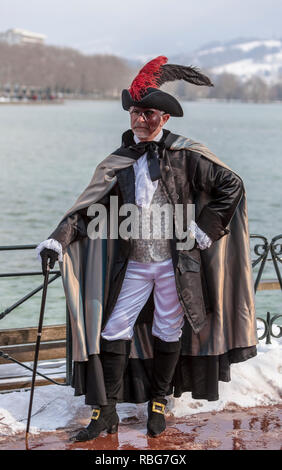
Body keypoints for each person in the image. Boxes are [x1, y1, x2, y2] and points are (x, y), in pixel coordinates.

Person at [36, 56, 258, 442]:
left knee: (168, 330)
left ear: (165, 118)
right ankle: (106, 412)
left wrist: (203, 229)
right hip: (135, 263)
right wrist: (58, 239)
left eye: (148, 114)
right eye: (136, 113)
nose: (140, 121)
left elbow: (231, 185)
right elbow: (90, 210)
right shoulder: (119, 161)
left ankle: (158, 402)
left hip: (176, 263)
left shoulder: (187, 155)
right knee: (113, 328)